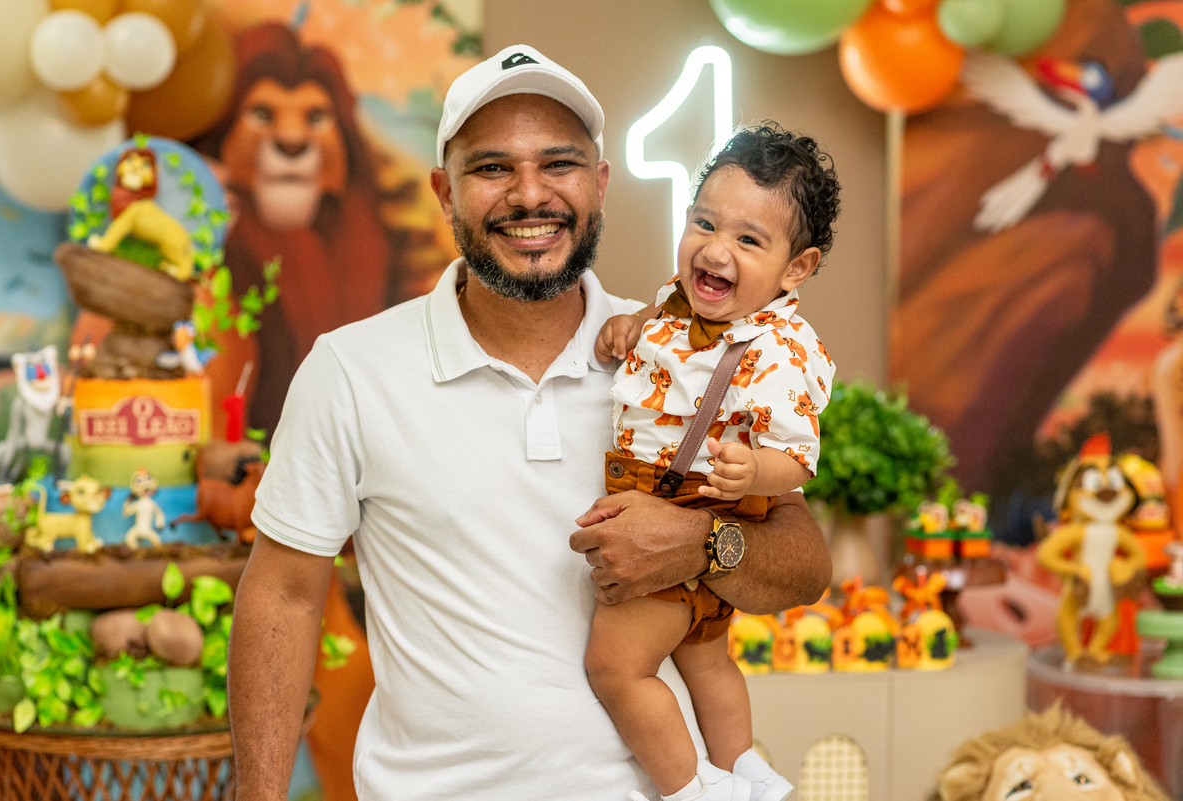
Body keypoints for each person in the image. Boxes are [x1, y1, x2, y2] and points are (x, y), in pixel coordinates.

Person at [227, 44, 831, 801]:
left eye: (559, 164)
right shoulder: (350, 370)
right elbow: (281, 596)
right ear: (444, 191)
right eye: (491, 169)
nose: (529, 194)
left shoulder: (679, 354)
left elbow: (804, 563)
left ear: (600, 183)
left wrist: (702, 542)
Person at [585, 124, 839, 801]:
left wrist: (754, 473)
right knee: (705, 653)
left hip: (683, 506)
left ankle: (690, 788)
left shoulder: (778, 350)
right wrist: (630, 324)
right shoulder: (679, 300)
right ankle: (744, 766)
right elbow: (666, 325)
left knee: (615, 667)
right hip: (693, 505)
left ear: (797, 269)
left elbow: (798, 455)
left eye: (749, 240)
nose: (716, 248)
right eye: (704, 222)